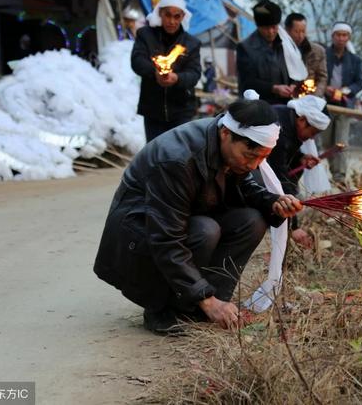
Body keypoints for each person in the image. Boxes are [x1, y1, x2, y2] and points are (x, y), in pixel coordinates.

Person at [94, 98, 303, 335]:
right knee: (205, 230)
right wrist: (206, 299)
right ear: (226, 133)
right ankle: (165, 310)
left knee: (252, 222)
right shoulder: (177, 160)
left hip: (182, 221)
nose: (254, 166)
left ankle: (203, 307)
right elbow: (166, 238)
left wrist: (272, 203)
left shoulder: (228, 148)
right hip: (138, 238)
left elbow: (242, 185)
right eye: (249, 156)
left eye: (262, 158)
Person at [131, 0, 201, 142]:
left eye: (177, 16)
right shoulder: (145, 35)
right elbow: (137, 61)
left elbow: (194, 74)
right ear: (160, 13)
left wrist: (177, 78)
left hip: (182, 110)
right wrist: (154, 72)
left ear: (183, 17)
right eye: (168, 15)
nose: (172, 21)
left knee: (180, 156)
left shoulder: (192, 43)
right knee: (155, 156)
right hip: (153, 109)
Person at [266, 96, 330, 245]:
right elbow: (278, 175)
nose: (310, 139)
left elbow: (284, 156)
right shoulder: (280, 130)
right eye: (312, 133)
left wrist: (300, 158)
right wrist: (293, 226)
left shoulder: (290, 120)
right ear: (302, 120)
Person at [322, 22, 362, 183]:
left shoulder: (355, 60)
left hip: (345, 106)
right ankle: (334, 170)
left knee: (341, 142)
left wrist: (346, 90)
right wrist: (326, 89)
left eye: (344, 35)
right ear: (333, 37)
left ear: (348, 38)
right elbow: (316, 77)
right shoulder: (323, 56)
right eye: (338, 35)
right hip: (324, 105)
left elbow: (360, 82)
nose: (341, 38)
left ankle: (339, 176)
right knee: (327, 142)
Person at [237, 0, 294, 105]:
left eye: (274, 27)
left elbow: (294, 69)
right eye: (266, 28)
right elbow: (247, 82)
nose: (271, 32)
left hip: (285, 104)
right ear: (258, 26)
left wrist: (293, 85)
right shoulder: (246, 48)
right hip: (258, 107)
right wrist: (274, 88)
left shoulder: (285, 45)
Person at [284, 13, 327, 98]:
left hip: (310, 96)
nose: (300, 36)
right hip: (286, 95)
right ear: (287, 31)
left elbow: (322, 78)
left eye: (303, 31)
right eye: (296, 31)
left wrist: (314, 97)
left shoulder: (317, 51)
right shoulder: (279, 49)